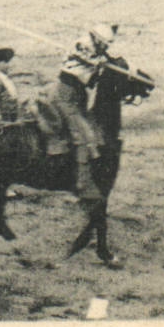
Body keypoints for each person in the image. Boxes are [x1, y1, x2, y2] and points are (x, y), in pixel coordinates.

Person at [37, 25, 116, 201]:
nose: (106, 47)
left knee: (96, 131)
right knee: (83, 136)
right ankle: (81, 186)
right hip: (65, 96)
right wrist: (98, 62)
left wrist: (104, 61)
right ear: (96, 39)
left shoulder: (96, 50)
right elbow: (85, 56)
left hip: (79, 96)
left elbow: (94, 72)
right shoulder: (82, 44)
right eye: (104, 44)